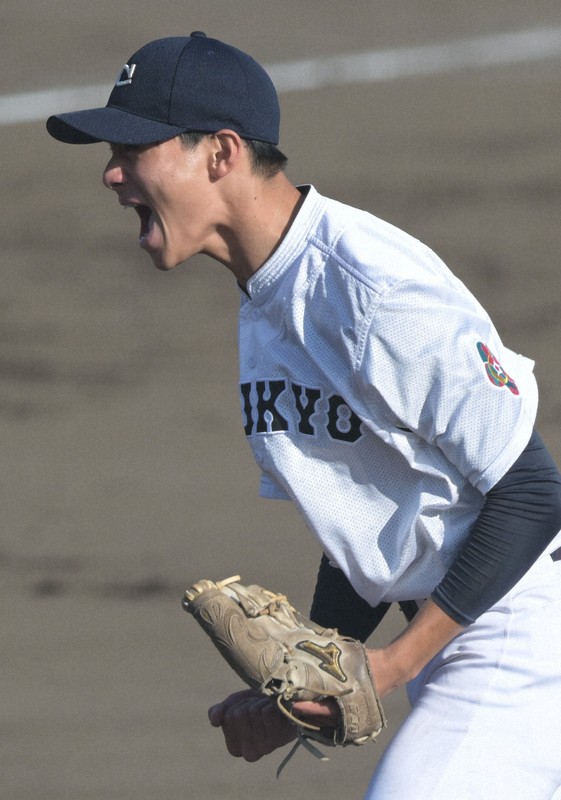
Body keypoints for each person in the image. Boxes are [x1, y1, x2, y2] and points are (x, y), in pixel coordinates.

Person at [46, 32, 561, 798]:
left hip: (521, 636)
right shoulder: (269, 301)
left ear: (219, 153)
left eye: (134, 147)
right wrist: (307, 681)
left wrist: (389, 665)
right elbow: (366, 514)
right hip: (470, 634)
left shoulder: (372, 291)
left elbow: (531, 494)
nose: (111, 172)